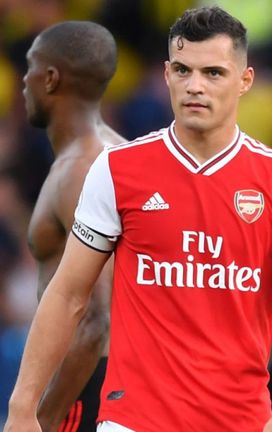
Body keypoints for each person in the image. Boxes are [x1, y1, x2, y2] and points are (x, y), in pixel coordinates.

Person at [5, 6, 272, 432]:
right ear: (166, 74)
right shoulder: (118, 169)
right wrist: (22, 406)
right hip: (132, 421)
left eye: (213, 73)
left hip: (239, 421)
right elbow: (67, 294)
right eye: (183, 70)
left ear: (245, 80)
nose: (195, 85)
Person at [22, 21, 125, 432]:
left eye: (30, 67)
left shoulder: (83, 168)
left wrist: (41, 417)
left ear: (50, 78)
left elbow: (95, 320)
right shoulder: (109, 153)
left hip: (85, 385)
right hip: (100, 381)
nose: (23, 82)